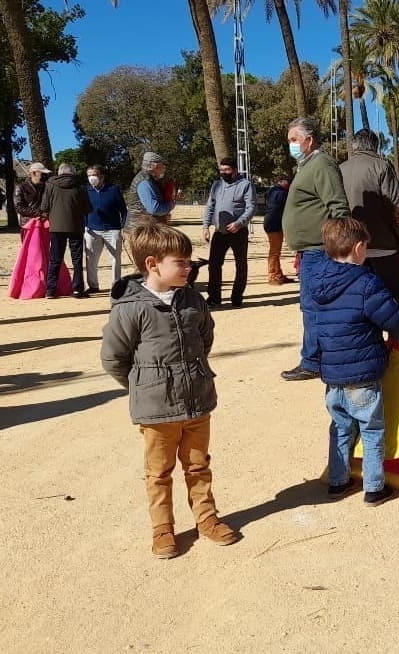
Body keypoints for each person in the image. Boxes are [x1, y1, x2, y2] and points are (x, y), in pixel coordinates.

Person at [100, 218, 239, 559]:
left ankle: (206, 519)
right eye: (181, 262)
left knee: (198, 466)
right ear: (152, 265)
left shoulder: (193, 300)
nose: (189, 268)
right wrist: (142, 386)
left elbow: (205, 337)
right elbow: (114, 358)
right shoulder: (131, 308)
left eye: (189, 262)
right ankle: (162, 529)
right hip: (157, 409)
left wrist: (193, 372)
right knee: (159, 472)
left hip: (197, 402)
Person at [312, 217, 399, 507]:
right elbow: (393, 320)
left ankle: (338, 480)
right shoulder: (366, 282)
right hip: (363, 371)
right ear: (358, 248)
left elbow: (313, 327)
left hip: (332, 372)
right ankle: (374, 486)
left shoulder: (317, 282)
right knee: (370, 428)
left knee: (340, 426)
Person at [280, 116, 351, 382]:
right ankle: (317, 358)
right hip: (309, 251)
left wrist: (339, 247)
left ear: (309, 140)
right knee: (312, 307)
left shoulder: (321, 164)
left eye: (294, 140)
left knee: (313, 308)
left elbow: (338, 206)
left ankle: (313, 361)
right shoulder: (306, 165)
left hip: (320, 251)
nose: (291, 145)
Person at [339, 128, 399, 308]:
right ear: (376, 146)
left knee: (359, 303)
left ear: (354, 146)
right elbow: (396, 208)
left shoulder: (340, 169)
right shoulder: (382, 166)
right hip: (383, 247)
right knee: (392, 302)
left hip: (350, 247)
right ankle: (397, 337)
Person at [201, 156, 256, 308]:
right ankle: (214, 297)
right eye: (221, 170)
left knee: (240, 265)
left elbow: (251, 207)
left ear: (235, 170)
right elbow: (210, 206)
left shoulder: (245, 185)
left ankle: (237, 297)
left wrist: (239, 223)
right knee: (214, 264)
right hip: (219, 231)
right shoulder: (216, 185)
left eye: (227, 170)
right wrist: (206, 226)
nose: (223, 172)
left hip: (238, 232)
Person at [40, 163, 92, 299]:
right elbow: (87, 208)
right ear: (73, 173)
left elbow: (44, 206)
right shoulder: (80, 186)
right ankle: (77, 289)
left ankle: (50, 290)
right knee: (77, 259)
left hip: (56, 227)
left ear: (59, 172)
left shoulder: (50, 184)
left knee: (55, 259)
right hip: (76, 226)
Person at [84, 164, 128, 293]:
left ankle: (116, 286)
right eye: (89, 175)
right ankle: (93, 286)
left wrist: (123, 227)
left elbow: (123, 211)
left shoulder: (113, 190)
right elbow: (82, 211)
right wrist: (85, 226)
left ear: (102, 176)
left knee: (115, 259)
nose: (91, 178)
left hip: (113, 230)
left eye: (94, 175)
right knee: (91, 259)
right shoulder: (86, 191)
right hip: (92, 230)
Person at [126, 151, 175, 223]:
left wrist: (163, 215)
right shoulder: (144, 182)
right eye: (162, 166)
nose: (163, 169)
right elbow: (154, 209)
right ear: (154, 166)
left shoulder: (151, 180)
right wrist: (170, 205)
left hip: (144, 228)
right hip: (138, 230)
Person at [263, 176, 294, 284]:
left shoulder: (273, 191)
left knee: (276, 251)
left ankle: (278, 273)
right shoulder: (280, 193)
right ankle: (273, 275)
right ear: (281, 182)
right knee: (275, 252)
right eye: (288, 182)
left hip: (272, 223)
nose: (290, 184)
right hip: (274, 224)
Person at [15, 162, 50, 234]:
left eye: (46, 174)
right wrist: (40, 213)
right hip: (28, 225)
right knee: (30, 245)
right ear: (33, 173)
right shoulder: (21, 187)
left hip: (44, 224)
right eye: (42, 174)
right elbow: (19, 207)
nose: (45, 176)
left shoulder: (46, 187)